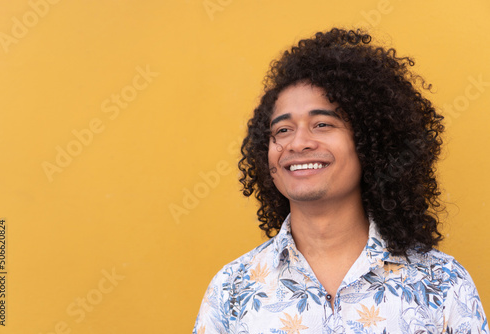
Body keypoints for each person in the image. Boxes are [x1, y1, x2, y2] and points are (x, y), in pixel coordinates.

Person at [193, 28, 488, 333]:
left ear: (370, 142)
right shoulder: (231, 291)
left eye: (322, 124)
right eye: (282, 130)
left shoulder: (442, 283)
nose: (298, 143)